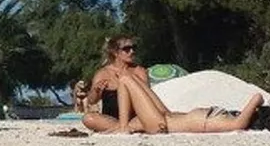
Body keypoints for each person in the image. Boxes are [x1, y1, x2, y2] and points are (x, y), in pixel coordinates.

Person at [79, 35, 260, 135]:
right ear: (115, 52)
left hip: (143, 116)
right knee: (89, 118)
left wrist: (256, 101)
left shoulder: (138, 71)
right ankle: (123, 127)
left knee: (126, 80)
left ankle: (124, 128)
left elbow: (144, 98)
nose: (132, 51)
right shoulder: (103, 73)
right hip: (131, 118)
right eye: (127, 49)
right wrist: (95, 91)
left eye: (133, 48)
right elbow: (93, 100)